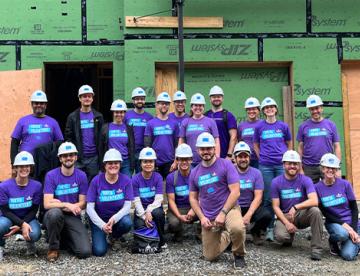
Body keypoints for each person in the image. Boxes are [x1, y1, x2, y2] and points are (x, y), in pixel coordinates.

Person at [189, 132, 246, 269]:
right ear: (198, 150)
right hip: (208, 215)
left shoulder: (226, 165)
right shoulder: (195, 172)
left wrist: (223, 212)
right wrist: (202, 217)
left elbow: (235, 192)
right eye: (203, 149)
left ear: (214, 149)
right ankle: (227, 235)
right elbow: (193, 198)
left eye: (209, 148)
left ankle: (239, 255)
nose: (206, 151)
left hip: (229, 209)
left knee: (237, 228)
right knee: (210, 256)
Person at [43, 142, 91, 262]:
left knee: (84, 252)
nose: (68, 158)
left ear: (75, 157)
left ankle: (63, 238)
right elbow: (47, 204)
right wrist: (66, 204)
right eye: (64, 155)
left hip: (72, 216)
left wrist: (61, 204)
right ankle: (53, 248)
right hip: (54, 215)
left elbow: (83, 203)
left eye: (71, 155)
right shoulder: (51, 175)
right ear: (60, 158)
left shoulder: (81, 176)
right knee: (55, 213)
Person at [272, 150, 323, 261]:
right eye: (289, 163)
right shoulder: (276, 182)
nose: (292, 166)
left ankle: (316, 249)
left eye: (295, 164)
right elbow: (275, 206)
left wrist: (296, 207)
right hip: (286, 216)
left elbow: (314, 200)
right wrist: (286, 223)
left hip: (301, 214)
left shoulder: (306, 180)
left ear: (299, 165)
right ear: (284, 165)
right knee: (280, 237)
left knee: (315, 211)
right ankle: (289, 237)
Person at [253, 97, 292, 241]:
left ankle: (282, 227)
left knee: (282, 196)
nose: (269, 109)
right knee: (268, 197)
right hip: (266, 166)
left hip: (280, 166)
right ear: (263, 111)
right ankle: (268, 229)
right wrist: (261, 156)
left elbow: (288, 142)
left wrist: (285, 158)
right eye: (266, 107)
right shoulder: (259, 127)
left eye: (272, 107)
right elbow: (256, 144)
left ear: (276, 109)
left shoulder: (283, 126)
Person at [87, 149, 133, 256]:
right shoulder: (96, 180)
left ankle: (114, 236)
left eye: (116, 163)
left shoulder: (126, 180)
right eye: (110, 163)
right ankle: (103, 233)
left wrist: (114, 218)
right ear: (105, 165)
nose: (113, 165)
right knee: (99, 251)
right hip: (99, 219)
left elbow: (128, 206)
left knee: (127, 223)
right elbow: (89, 208)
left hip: (116, 219)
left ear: (120, 164)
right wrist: (102, 225)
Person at [315, 153, 360, 261]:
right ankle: (333, 241)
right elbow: (325, 212)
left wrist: (353, 229)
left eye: (333, 168)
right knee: (342, 234)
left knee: (348, 255)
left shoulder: (345, 184)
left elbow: (354, 208)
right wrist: (346, 227)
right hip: (334, 223)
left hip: (352, 223)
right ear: (322, 168)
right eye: (327, 167)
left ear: (337, 169)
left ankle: (354, 241)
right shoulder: (316, 188)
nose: (330, 170)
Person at [0, 152, 42, 261]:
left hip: (28, 217)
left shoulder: (37, 186)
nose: (24, 168)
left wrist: (21, 225)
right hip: (8, 218)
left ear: (30, 168)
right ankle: (0, 246)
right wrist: (23, 224)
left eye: (27, 166)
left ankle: (30, 243)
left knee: (36, 234)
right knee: (0, 226)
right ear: (15, 168)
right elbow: (5, 211)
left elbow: (34, 210)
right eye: (21, 166)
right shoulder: (4, 186)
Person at [11, 90, 63, 170]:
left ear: (45, 105)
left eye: (41, 103)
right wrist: (14, 164)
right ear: (32, 104)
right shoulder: (22, 121)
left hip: (46, 164)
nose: (39, 105)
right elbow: (14, 143)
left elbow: (60, 142)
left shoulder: (53, 122)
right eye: (36, 103)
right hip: (25, 164)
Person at [233, 141, 271, 245]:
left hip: (251, 207)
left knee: (266, 215)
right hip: (235, 207)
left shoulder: (256, 173)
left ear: (249, 158)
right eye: (240, 157)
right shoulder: (230, 171)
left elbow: (258, 196)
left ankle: (255, 231)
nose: (243, 159)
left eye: (246, 156)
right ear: (235, 158)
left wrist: (249, 215)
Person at [297, 95, 341, 183]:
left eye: (317, 108)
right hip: (309, 167)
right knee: (310, 193)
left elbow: (337, 146)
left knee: (329, 192)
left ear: (321, 108)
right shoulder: (303, 126)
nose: (315, 111)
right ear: (309, 110)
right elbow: (300, 148)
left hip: (328, 165)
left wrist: (338, 167)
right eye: (312, 109)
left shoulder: (331, 125)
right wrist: (300, 168)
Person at [65, 84, 104, 181]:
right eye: (84, 96)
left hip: (94, 158)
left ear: (92, 98)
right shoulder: (72, 117)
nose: (87, 98)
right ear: (79, 98)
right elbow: (68, 137)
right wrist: (73, 155)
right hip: (78, 158)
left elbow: (102, 138)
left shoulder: (98, 117)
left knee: (93, 184)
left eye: (89, 96)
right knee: (77, 183)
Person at [132, 147, 166, 248]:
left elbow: (159, 199)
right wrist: (144, 216)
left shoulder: (158, 177)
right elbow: (136, 201)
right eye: (145, 161)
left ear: (154, 163)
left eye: (151, 161)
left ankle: (161, 240)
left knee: (158, 213)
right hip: (140, 210)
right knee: (140, 225)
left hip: (154, 209)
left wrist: (149, 211)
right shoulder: (135, 179)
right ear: (141, 163)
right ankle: (147, 241)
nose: (148, 164)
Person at [166, 144, 197, 242]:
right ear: (177, 160)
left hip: (195, 207)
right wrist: (179, 216)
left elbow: (202, 196)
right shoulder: (171, 177)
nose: (184, 162)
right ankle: (178, 233)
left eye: (187, 159)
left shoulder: (197, 174)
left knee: (209, 213)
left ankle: (201, 232)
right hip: (179, 208)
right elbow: (171, 201)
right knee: (173, 223)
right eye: (181, 159)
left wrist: (193, 210)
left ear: (191, 160)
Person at [179, 93, 220, 167]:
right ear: (191, 107)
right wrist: (178, 158)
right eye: (195, 105)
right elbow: (181, 142)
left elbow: (216, 141)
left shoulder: (210, 122)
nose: (198, 107)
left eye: (200, 105)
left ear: (203, 107)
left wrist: (217, 158)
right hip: (189, 162)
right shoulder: (185, 122)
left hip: (207, 161)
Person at [145, 92, 179, 178]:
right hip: (155, 163)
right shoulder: (150, 124)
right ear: (157, 105)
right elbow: (147, 146)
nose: (164, 105)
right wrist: (150, 162)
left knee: (170, 189)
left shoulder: (174, 124)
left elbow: (177, 145)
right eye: (162, 103)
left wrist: (175, 161)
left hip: (170, 163)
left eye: (166, 104)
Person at [99, 99, 135, 178]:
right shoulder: (105, 128)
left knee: (126, 184)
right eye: (117, 112)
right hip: (111, 162)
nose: (119, 114)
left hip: (125, 163)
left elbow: (131, 147)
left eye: (121, 112)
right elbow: (101, 148)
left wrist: (132, 165)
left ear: (124, 113)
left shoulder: (128, 128)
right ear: (113, 112)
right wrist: (102, 165)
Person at [125, 87, 153, 174]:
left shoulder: (150, 117)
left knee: (141, 177)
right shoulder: (126, 115)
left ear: (144, 100)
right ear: (133, 101)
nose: (139, 101)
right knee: (128, 178)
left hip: (143, 152)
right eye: (137, 99)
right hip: (129, 152)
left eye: (142, 99)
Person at [205, 85, 237, 160]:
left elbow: (234, 136)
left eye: (218, 96)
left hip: (224, 157)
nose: (216, 99)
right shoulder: (205, 115)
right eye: (214, 97)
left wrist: (229, 155)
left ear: (222, 98)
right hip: (207, 157)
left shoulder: (228, 116)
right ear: (210, 99)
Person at [237, 97, 262, 168]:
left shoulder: (263, 124)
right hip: (245, 159)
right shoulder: (241, 125)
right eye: (249, 109)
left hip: (259, 159)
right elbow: (240, 141)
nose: (251, 111)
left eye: (254, 109)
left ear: (258, 110)